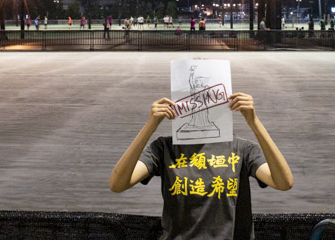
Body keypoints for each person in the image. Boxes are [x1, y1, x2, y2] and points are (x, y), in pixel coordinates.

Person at [109, 92, 292, 240]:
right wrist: (150, 126)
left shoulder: (242, 149)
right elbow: (118, 183)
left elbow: (283, 182)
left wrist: (255, 123)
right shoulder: (164, 148)